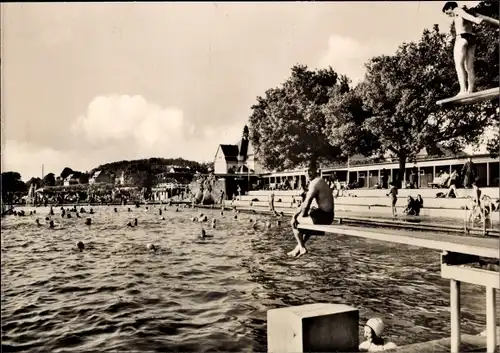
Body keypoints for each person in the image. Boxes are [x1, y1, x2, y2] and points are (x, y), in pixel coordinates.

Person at [442, 2, 500, 96]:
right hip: (471, 39)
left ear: (450, 7)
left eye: (448, 12)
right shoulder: (470, 12)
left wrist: (475, 20)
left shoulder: (457, 9)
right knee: (469, 67)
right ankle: (470, 91)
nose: (449, 15)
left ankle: (462, 91)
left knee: (459, 65)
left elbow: (464, 15)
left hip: (461, 38)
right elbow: (487, 19)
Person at [288, 163, 334, 257]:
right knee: (308, 218)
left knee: (294, 222)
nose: (308, 173)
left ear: (315, 170)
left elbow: (306, 203)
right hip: (327, 215)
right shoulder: (319, 181)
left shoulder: (315, 183)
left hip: (325, 216)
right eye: (305, 171)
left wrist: (295, 216)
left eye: (310, 170)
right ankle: (298, 248)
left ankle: (301, 247)